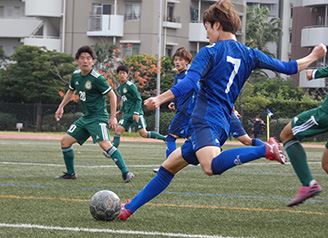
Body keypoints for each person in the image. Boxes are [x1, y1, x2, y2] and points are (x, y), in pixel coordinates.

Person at [118, 0, 326, 220]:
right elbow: (289, 67)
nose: (206, 34)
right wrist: (314, 55)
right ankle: (128, 209)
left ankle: (265, 149)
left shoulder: (209, 51)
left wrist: (159, 98)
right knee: (168, 168)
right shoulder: (250, 54)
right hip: (222, 122)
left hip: (204, 118)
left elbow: (189, 83)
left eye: (207, 28)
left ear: (217, 25)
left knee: (211, 166)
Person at [54, 45, 134, 183]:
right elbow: (71, 91)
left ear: (93, 61)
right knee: (65, 142)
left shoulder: (97, 78)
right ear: (77, 60)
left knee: (106, 145)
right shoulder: (76, 76)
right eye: (82, 58)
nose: (85, 61)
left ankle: (126, 173)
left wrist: (113, 117)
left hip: (98, 118)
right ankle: (70, 173)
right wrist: (61, 107)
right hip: (86, 118)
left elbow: (112, 96)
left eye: (88, 58)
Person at [280, 65, 328, 207]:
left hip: (325, 114)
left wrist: (315, 73)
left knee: (287, 135)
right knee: (326, 164)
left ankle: (308, 184)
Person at [153, 47, 197, 173]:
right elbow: (178, 92)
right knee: (192, 139)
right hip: (184, 111)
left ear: (187, 62)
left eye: (181, 60)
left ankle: (168, 166)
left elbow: (198, 90)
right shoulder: (178, 76)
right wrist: (173, 102)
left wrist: (196, 107)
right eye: (176, 60)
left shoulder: (189, 76)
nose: (177, 62)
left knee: (170, 138)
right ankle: (211, 154)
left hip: (185, 112)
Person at [111, 65, 166, 149]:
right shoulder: (119, 88)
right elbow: (125, 100)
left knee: (144, 134)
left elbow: (138, 99)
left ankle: (165, 139)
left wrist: (136, 113)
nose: (122, 75)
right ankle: (112, 151)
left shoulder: (130, 85)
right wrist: (121, 110)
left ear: (127, 75)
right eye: (120, 73)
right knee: (118, 130)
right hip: (128, 114)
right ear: (117, 75)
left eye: (124, 73)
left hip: (136, 113)